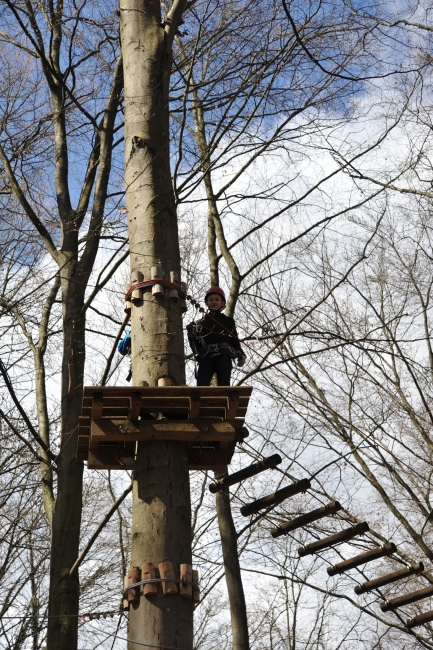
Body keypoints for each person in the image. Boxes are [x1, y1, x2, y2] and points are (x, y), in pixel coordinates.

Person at [187, 287, 246, 386]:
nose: (214, 302)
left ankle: (225, 400)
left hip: (223, 355)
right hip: (206, 357)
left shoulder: (228, 321)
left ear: (222, 303)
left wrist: (241, 354)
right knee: (202, 384)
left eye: (217, 300)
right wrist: (191, 335)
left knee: (224, 384)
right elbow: (195, 348)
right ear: (206, 303)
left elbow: (234, 340)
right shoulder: (200, 324)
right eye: (211, 300)